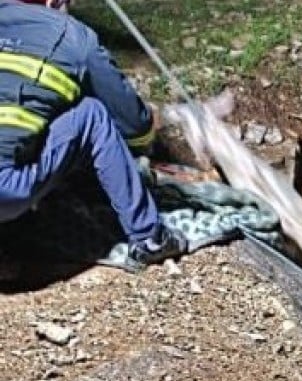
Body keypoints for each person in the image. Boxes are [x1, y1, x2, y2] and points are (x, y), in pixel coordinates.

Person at [0, 0, 184, 265]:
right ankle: (149, 237)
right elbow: (135, 126)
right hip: (6, 194)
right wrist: (144, 139)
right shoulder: (73, 36)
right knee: (92, 113)